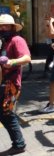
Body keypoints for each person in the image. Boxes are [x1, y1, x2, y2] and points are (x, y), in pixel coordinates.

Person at [0, 14, 31, 155]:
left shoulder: (17, 40)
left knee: (7, 114)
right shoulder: (4, 41)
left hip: (11, 83)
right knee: (4, 114)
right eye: (0, 26)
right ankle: (18, 143)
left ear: (12, 27)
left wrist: (11, 62)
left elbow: (27, 58)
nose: (2, 28)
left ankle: (19, 144)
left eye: (5, 25)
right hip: (3, 82)